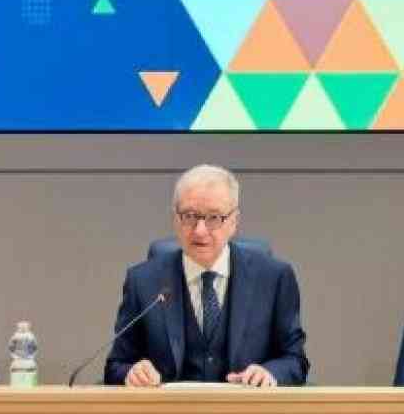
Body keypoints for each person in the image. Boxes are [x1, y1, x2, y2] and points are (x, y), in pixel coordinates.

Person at [105, 165, 307, 387]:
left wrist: (269, 373)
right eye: (190, 216)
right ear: (175, 219)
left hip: (245, 407)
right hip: (170, 408)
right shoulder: (143, 281)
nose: (200, 230)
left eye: (213, 217)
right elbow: (116, 365)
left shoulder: (274, 279)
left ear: (234, 221)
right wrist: (131, 372)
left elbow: (295, 361)